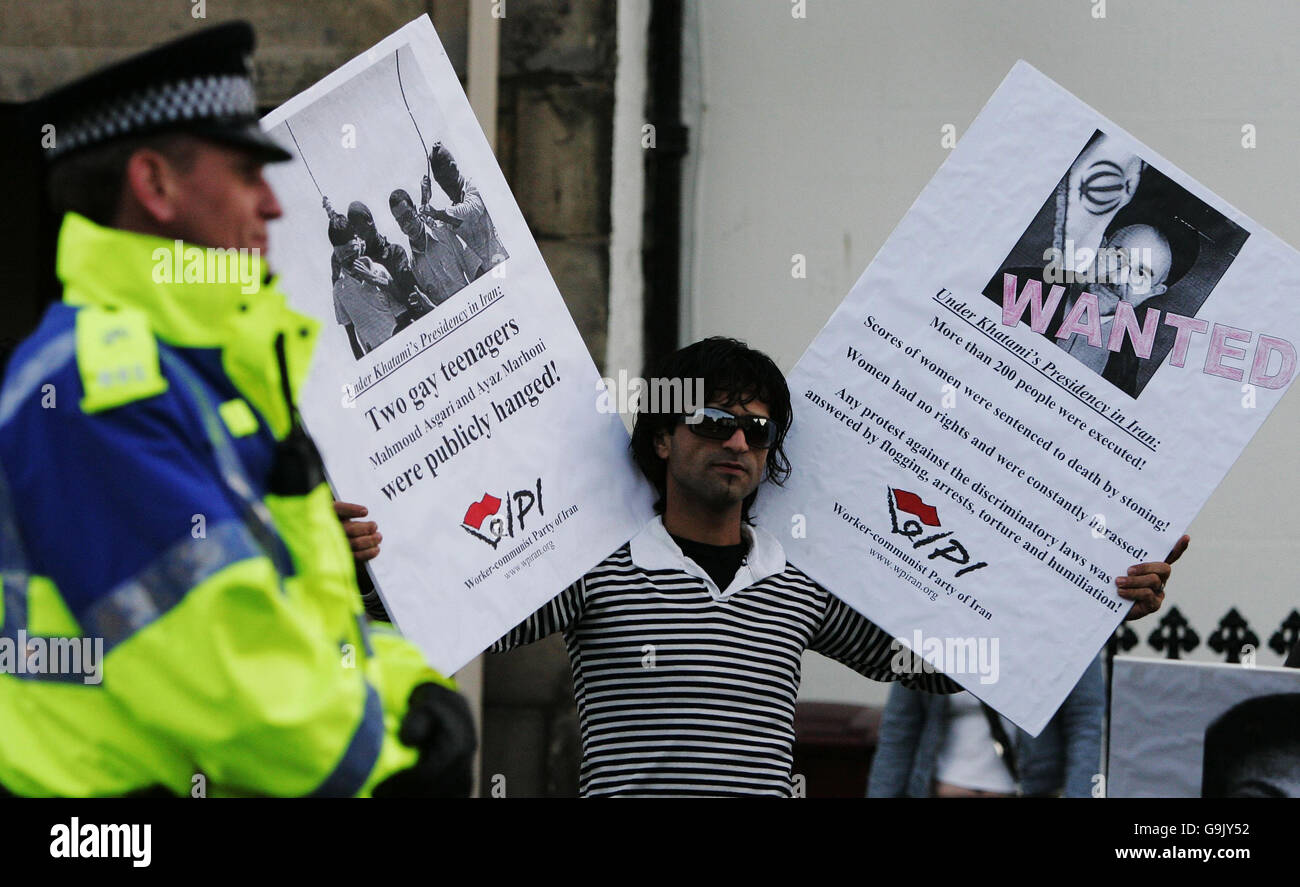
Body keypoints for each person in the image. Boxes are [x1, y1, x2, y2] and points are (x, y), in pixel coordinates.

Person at [0, 22, 474, 797]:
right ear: (155, 186)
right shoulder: (97, 382)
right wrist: (386, 770)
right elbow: (218, 658)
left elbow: (300, 621)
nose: (273, 206)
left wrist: (410, 688)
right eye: (248, 173)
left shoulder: (204, 375)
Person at [481, 338, 1181, 796]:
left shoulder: (796, 581)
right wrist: (369, 566)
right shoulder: (598, 572)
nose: (737, 440)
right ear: (663, 438)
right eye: (712, 420)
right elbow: (457, 622)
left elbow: (935, 664)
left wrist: (1095, 601)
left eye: (757, 430)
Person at [868, 655, 1104, 798]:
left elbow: (1086, 724)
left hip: (1027, 790)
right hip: (942, 789)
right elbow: (899, 730)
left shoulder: (1066, 626)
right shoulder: (933, 623)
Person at [422, 141, 507, 278]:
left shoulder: (473, 187)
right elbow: (437, 231)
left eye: (445, 177)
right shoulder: (449, 215)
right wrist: (424, 201)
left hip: (502, 263)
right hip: (484, 276)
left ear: (453, 168)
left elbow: (471, 211)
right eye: (439, 181)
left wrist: (437, 214)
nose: (444, 185)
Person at [329, 215, 404, 357]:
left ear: (358, 245)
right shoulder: (339, 291)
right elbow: (352, 339)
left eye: (351, 251)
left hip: (400, 344)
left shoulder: (378, 270)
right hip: (376, 359)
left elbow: (401, 308)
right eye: (342, 255)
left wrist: (372, 278)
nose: (349, 259)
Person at [389, 188, 475, 307]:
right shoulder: (412, 263)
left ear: (414, 209)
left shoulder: (443, 233)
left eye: (408, 216)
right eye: (401, 221)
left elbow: (474, 268)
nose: (406, 225)